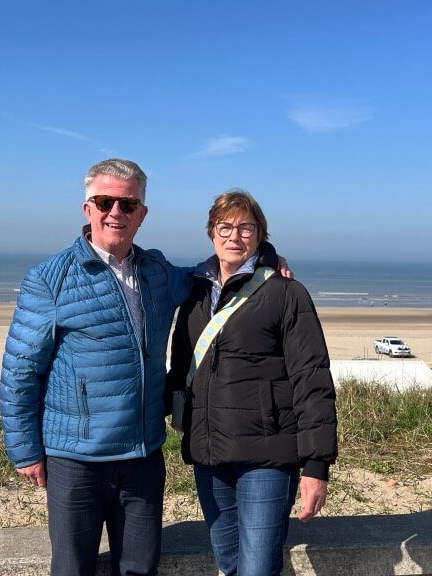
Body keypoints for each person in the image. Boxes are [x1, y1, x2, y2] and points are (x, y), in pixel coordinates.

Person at [0, 160, 290, 576]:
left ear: (142, 213)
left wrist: (266, 257)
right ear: (87, 209)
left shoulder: (157, 271)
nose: (115, 212)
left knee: (139, 568)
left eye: (128, 204)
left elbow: (212, 274)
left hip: (142, 456)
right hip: (76, 459)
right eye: (105, 202)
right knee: (72, 569)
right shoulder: (50, 279)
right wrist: (25, 449)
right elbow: (20, 370)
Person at [166, 189, 338, 576]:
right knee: (229, 563)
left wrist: (316, 465)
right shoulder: (194, 293)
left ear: (260, 234)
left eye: (246, 228)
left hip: (268, 458)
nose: (234, 236)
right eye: (224, 227)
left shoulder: (286, 293)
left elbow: (312, 380)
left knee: (258, 569)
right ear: (211, 232)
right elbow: (180, 371)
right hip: (209, 456)